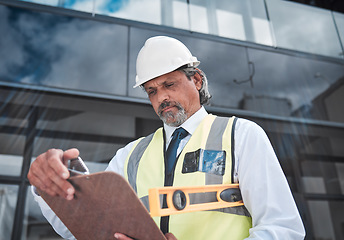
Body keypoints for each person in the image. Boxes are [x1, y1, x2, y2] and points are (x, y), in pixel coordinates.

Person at [28, 36, 306, 240]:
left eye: (169, 85)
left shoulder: (240, 135)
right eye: (151, 91)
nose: (161, 98)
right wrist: (52, 185)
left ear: (196, 80)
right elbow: (89, 228)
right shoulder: (130, 155)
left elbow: (283, 229)